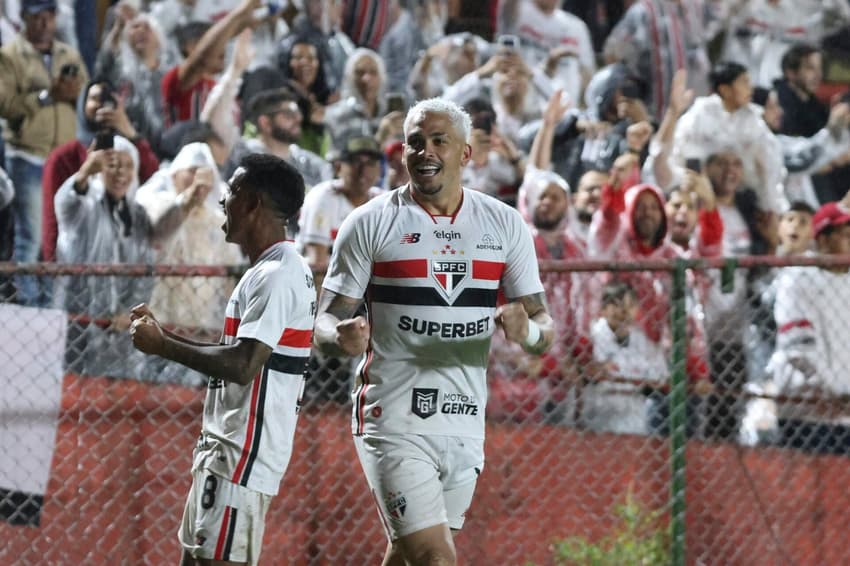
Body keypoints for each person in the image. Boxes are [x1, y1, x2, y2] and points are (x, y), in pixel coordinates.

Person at [313, 98, 553, 565]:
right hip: (394, 420)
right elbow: (320, 322)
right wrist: (336, 337)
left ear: (466, 154)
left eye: (440, 141)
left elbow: (545, 329)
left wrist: (526, 334)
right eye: (416, 142)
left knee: (407, 556)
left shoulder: (505, 225)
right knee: (436, 560)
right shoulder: (369, 223)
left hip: (465, 422)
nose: (426, 152)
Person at [129, 153, 313, 565]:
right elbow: (239, 355)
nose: (221, 201)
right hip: (226, 449)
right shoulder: (268, 270)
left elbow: (243, 365)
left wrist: (164, 347)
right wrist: (165, 335)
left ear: (251, 203)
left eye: (230, 191)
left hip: (242, 455)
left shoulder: (277, 274)